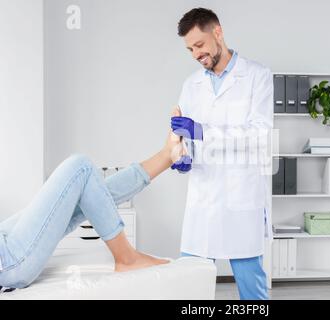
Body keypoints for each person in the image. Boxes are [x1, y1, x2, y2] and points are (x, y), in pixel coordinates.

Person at [0, 112, 186, 290]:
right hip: (7, 261)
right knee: (81, 168)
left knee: (87, 189)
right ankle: (127, 259)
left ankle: (166, 156)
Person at [171, 8, 273, 300]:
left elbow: (260, 135)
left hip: (240, 198)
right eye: (190, 48)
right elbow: (186, 137)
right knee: (191, 284)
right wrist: (184, 156)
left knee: (250, 285)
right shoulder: (191, 85)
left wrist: (203, 131)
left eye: (199, 45)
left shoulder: (257, 76)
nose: (195, 54)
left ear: (218, 32)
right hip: (202, 200)